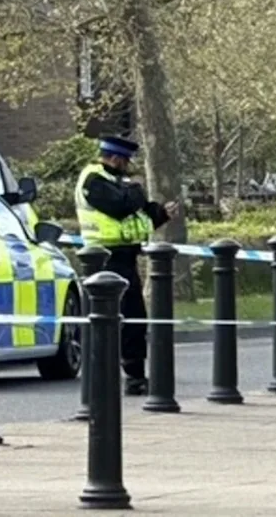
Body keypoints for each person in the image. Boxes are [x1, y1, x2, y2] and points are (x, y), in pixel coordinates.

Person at [73, 136, 180, 395]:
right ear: (115, 159)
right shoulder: (93, 180)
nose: (128, 166)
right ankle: (103, 377)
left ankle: (135, 376)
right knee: (110, 320)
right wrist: (137, 189)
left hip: (125, 257)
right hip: (103, 259)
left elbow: (137, 218)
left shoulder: (119, 182)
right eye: (125, 161)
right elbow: (121, 207)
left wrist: (161, 214)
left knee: (134, 319)